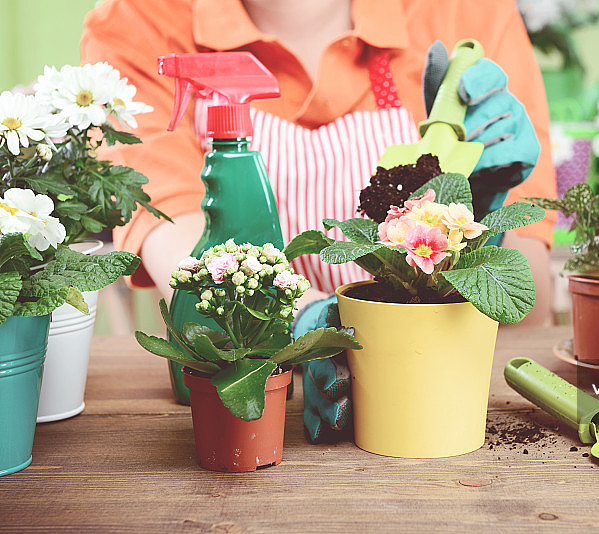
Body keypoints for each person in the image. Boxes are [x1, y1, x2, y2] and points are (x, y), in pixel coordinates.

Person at [81, 0, 557, 439]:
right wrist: (307, 324)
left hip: (431, 392)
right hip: (266, 403)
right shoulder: (138, 22)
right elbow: (190, 262)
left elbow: (527, 310)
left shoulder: (467, 11)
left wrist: (484, 216)